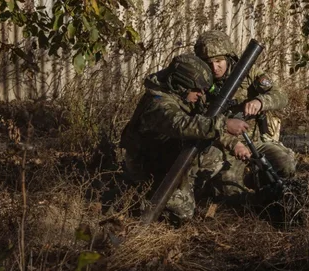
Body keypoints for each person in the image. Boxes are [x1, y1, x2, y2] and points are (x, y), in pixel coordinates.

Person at [119, 53, 248, 221]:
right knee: (183, 213)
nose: (201, 94)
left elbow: (201, 122)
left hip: (169, 154)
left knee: (216, 156)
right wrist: (224, 124)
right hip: (149, 165)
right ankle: (138, 196)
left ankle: (189, 187)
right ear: (181, 86)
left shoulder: (181, 97)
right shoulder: (158, 103)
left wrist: (234, 144)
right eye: (196, 89)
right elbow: (182, 124)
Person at [194, 30, 297, 185]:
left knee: (286, 165)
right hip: (222, 145)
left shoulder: (248, 73)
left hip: (255, 142)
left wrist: (260, 102)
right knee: (229, 182)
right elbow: (200, 123)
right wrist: (233, 143)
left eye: (219, 61)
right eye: (208, 63)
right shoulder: (198, 83)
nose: (214, 68)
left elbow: (281, 96)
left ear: (228, 57)